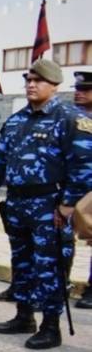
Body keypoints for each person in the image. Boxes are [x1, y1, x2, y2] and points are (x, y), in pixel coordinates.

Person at [0, 59, 91, 349]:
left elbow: (84, 167)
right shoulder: (17, 120)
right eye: (28, 79)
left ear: (54, 85)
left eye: (38, 80)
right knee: (22, 262)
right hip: (17, 202)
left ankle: (50, 326)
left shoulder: (70, 118)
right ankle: (24, 316)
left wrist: (67, 205)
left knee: (50, 266)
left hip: (49, 204)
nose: (31, 84)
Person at [73, 70, 92, 310]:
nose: (78, 93)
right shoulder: (70, 118)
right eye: (77, 89)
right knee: (62, 239)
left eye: (85, 89)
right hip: (70, 187)